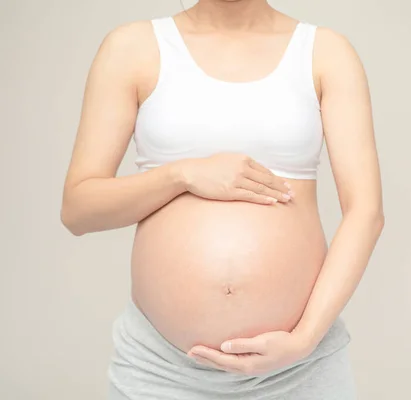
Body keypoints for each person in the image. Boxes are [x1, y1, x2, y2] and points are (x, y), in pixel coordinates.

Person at [61, 0, 384, 398]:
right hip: (161, 370)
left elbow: (365, 213)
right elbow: (78, 210)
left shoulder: (325, 52)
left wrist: (304, 339)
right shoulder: (133, 47)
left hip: (299, 369)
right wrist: (182, 174)